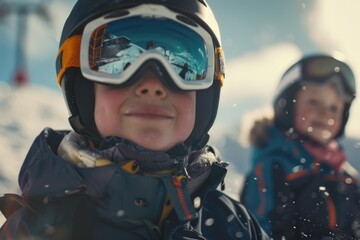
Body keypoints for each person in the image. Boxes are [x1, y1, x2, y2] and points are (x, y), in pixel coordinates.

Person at [0, 0, 269, 239]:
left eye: (182, 65)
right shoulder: (33, 230)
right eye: (117, 61)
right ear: (80, 85)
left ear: (208, 88)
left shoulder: (234, 224)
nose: (152, 85)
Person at [240, 54, 360, 239]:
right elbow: (261, 230)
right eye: (314, 102)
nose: (325, 113)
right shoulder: (272, 167)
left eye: (334, 108)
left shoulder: (346, 175)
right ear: (286, 106)